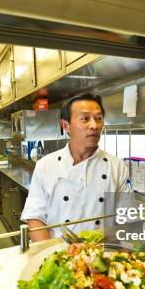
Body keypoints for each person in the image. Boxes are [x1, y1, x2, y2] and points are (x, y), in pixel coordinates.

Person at [21, 93, 130, 241]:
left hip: (103, 255)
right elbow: (35, 218)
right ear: (66, 126)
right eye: (85, 119)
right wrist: (51, 255)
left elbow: (127, 218)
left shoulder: (116, 167)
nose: (94, 125)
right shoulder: (45, 166)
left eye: (99, 119)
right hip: (58, 254)